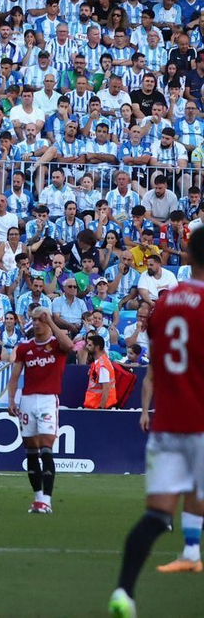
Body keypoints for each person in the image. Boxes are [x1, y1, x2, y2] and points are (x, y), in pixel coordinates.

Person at [108, 232, 204, 617]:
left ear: (188, 255)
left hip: (168, 423)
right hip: (201, 420)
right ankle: (192, 548)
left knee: (157, 515)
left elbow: (159, 362)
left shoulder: (163, 306)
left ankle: (123, 592)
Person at [6, 305, 73, 514]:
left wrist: (51, 320)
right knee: (31, 450)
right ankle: (37, 499)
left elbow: (70, 347)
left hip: (47, 400)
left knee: (46, 447)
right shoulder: (25, 347)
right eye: (33, 320)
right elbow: (15, 376)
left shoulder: (56, 344)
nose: (35, 323)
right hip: (27, 400)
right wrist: (11, 400)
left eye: (39, 320)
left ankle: (47, 500)